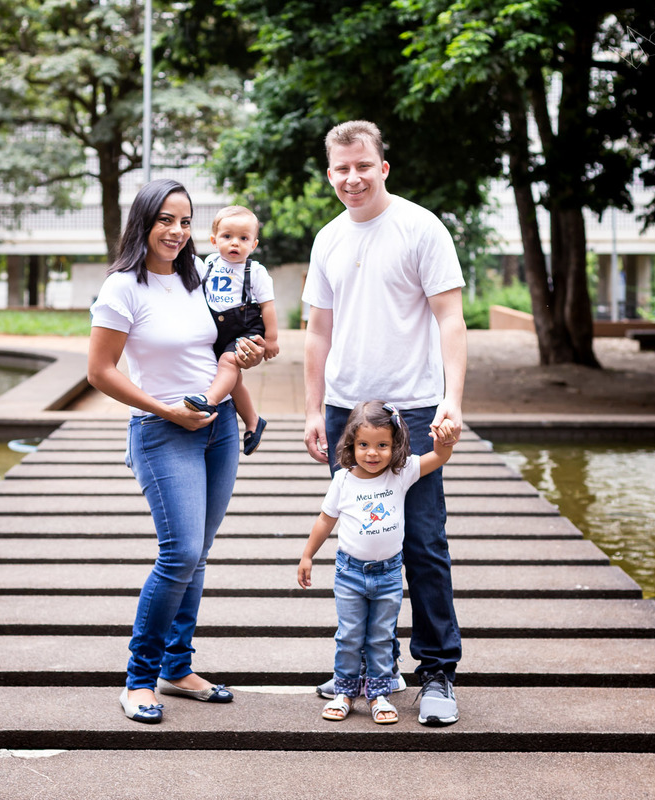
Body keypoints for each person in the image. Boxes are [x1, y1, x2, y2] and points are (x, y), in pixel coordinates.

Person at [302, 120, 468, 727]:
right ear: (330, 174)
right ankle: (371, 669)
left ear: (383, 167)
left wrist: (452, 398)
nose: (352, 178)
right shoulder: (327, 239)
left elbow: (450, 318)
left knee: (422, 541)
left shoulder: (421, 227)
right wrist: (313, 408)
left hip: (415, 407)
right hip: (347, 408)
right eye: (341, 169)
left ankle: (438, 672)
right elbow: (317, 330)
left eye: (363, 166)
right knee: (359, 531)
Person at [87, 178, 264, 724]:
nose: (177, 231)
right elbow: (99, 372)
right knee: (181, 553)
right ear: (143, 222)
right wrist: (168, 412)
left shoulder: (199, 281)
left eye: (185, 222)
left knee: (198, 555)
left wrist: (247, 403)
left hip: (219, 430)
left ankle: (177, 667)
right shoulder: (122, 289)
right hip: (162, 431)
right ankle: (139, 680)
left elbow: (220, 358)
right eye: (166, 219)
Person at [298, 401, 455, 725]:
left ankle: (379, 692)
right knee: (350, 635)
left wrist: (444, 442)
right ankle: (344, 690)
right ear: (351, 445)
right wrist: (307, 555)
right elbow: (325, 520)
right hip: (350, 574)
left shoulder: (400, 473)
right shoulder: (343, 480)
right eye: (364, 445)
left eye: (383, 445)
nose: (373, 453)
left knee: (381, 635)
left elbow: (437, 458)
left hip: (388, 576)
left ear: (395, 446)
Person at [182, 205, 279, 455]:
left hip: (244, 326)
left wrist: (271, 339)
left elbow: (268, 306)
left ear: (254, 244)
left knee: (228, 363)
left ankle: (209, 400)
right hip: (217, 326)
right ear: (214, 240)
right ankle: (254, 421)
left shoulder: (255, 271)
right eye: (227, 237)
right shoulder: (210, 263)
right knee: (233, 381)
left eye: (243, 238)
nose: (235, 243)